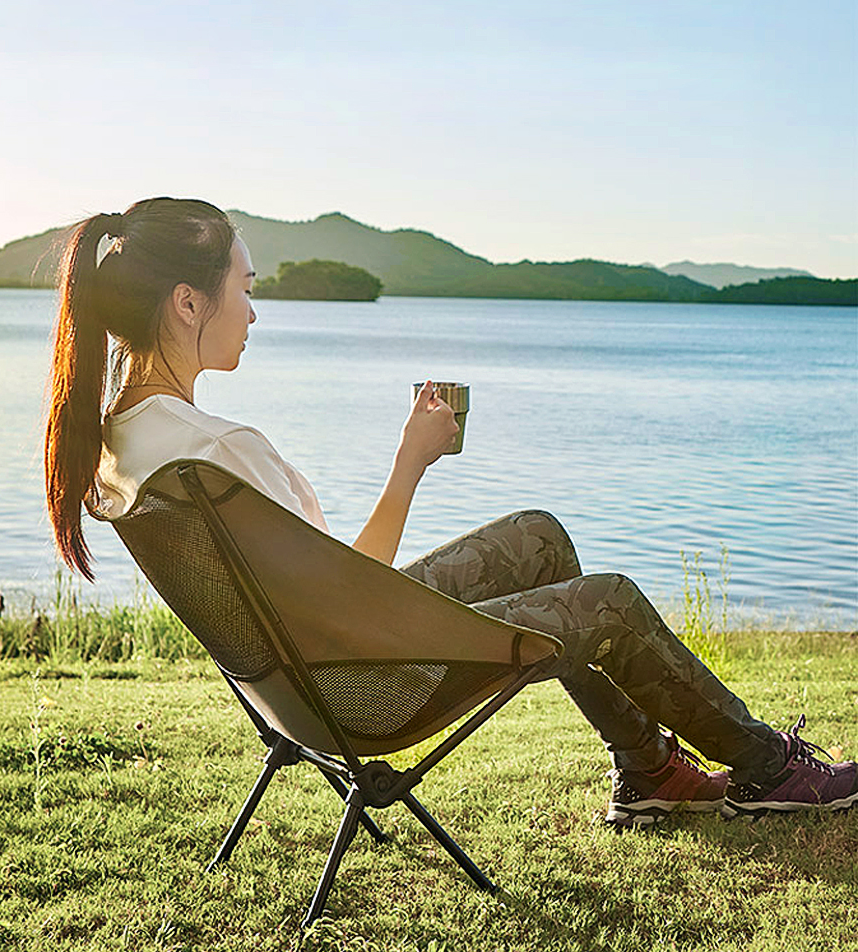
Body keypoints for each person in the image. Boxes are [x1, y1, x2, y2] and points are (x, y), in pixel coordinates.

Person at [44, 197, 857, 827]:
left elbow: (326, 596)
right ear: (188, 303)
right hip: (367, 689)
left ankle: (648, 774)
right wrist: (411, 462)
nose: (253, 312)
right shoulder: (216, 453)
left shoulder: (118, 444)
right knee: (605, 600)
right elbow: (357, 587)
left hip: (299, 687)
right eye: (245, 290)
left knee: (540, 538)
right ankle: (765, 770)